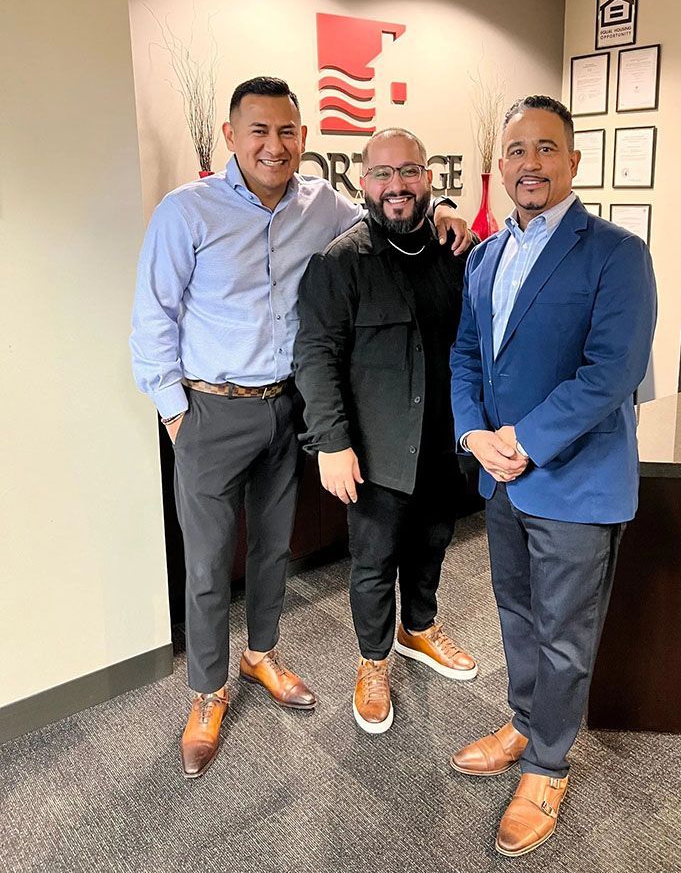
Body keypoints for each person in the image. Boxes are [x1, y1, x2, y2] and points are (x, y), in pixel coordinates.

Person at [130, 78, 470, 778]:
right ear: (230, 136)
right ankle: (206, 691)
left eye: (287, 131)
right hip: (210, 406)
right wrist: (175, 411)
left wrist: (443, 213)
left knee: (271, 551)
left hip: (287, 407)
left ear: (304, 138)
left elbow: (390, 204)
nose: (273, 145)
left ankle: (261, 653)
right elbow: (152, 318)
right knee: (205, 562)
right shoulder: (184, 211)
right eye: (258, 130)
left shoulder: (324, 205)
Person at [449, 95, 657, 856]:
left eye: (545, 149)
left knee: (566, 633)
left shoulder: (615, 252)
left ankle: (547, 762)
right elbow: (467, 356)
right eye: (516, 151)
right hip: (501, 476)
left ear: (572, 161)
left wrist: (525, 441)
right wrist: (474, 432)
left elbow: (614, 372)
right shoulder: (484, 255)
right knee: (517, 613)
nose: (529, 163)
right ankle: (525, 716)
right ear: (498, 166)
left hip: (574, 478)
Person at [294, 128, 478, 734]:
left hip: (444, 441)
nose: (395, 186)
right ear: (362, 183)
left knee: (431, 544)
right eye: (381, 174)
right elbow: (316, 357)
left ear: (429, 178)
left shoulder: (457, 255)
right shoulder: (339, 263)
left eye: (408, 172)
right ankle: (373, 662)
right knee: (373, 561)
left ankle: (417, 628)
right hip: (374, 450)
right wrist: (331, 443)